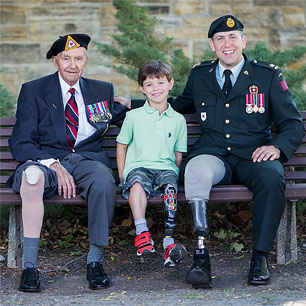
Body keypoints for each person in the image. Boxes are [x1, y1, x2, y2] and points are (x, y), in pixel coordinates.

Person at [115, 15, 305, 288]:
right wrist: (133, 104)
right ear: (212, 45)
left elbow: (292, 123)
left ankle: (260, 257)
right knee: (195, 170)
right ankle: (201, 257)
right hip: (213, 152)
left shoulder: (267, 75)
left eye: (232, 37)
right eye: (220, 39)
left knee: (272, 178)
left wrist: (277, 147)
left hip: (252, 154)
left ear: (243, 41)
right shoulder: (200, 74)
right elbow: (179, 105)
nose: (227, 44)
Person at [7, 34, 128, 292]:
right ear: (56, 61)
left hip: (86, 160)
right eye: (66, 59)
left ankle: (95, 263)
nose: (73, 65)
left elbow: (116, 113)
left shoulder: (100, 89)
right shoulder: (35, 90)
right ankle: (29, 267)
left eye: (79, 58)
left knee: (104, 181)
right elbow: (21, 141)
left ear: (85, 61)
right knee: (31, 179)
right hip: (45, 161)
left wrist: (147, 100)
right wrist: (53, 164)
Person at [116, 60, 188, 268]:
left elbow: (177, 154)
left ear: (170, 84)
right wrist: (123, 175)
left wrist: (173, 170)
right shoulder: (133, 116)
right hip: (139, 166)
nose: (155, 89)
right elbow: (121, 146)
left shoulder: (178, 119)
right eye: (149, 84)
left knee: (171, 189)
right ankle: (142, 233)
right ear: (142, 88)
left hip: (165, 168)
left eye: (160, 83)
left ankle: (168, 241)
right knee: (136, 182)